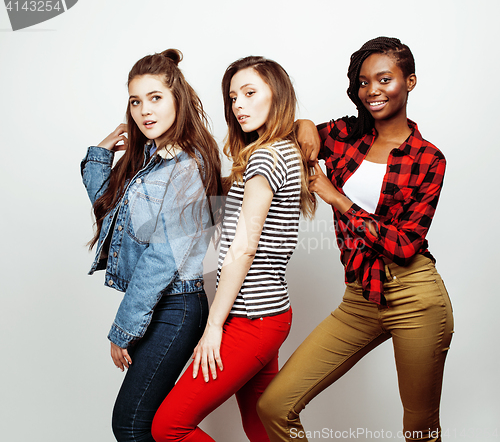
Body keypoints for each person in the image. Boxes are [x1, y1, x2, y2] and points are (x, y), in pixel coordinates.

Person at [257, 37, 454, 442]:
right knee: (274, 405)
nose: (373, 91)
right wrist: (306, 125)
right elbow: (294, 133)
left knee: (420, 429)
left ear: (410, 82)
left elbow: (404, 244)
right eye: (364, 82)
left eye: (385, 79)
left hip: (415, 296)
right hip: (360, 296)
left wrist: (336, 197)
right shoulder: (348, 134)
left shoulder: (427, 158)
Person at [151, 56, 316, 442]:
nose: (238, 104)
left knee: (168, 428)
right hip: (271, 312)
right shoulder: (283, 150)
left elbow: (242, 249)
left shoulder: (265, 157)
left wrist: (213, 327)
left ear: (277, 96)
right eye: (232, 97)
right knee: (262, 428)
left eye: (249, 92)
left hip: (251, 317)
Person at [80, 49, 222, 442]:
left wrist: (121, 330)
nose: (145, 110)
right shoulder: (149, 159)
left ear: (177, 97)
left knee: (131, 424)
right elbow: (109, 211)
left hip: (177, 306)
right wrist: (102, 151)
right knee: (148, 424)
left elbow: (162, 258)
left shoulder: (187, 166)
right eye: (136, 100)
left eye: (155, 97)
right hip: (160, 303)